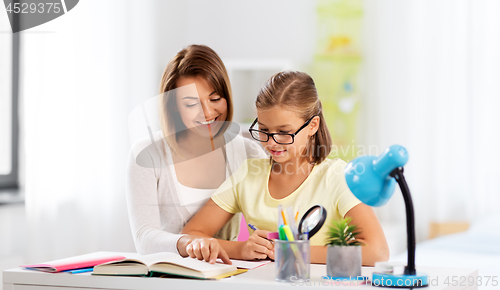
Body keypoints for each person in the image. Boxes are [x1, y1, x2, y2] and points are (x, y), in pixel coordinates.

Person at [179, 70, 390, 265]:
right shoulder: (247, 175)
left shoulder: (336, 177)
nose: (271, 142)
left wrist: (293, 251)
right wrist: (240, 249)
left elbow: (377, 251)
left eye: (284, 132)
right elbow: (191, 234)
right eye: (263, 130)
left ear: (312, 126)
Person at [126, 44, 267, 255]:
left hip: (232, 278)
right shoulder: (146, 154)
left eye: (215, 98)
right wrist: (190, 243)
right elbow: (145, 239)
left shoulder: (248, 153)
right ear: (172, 105)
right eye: (191, 104)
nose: (208, 112)